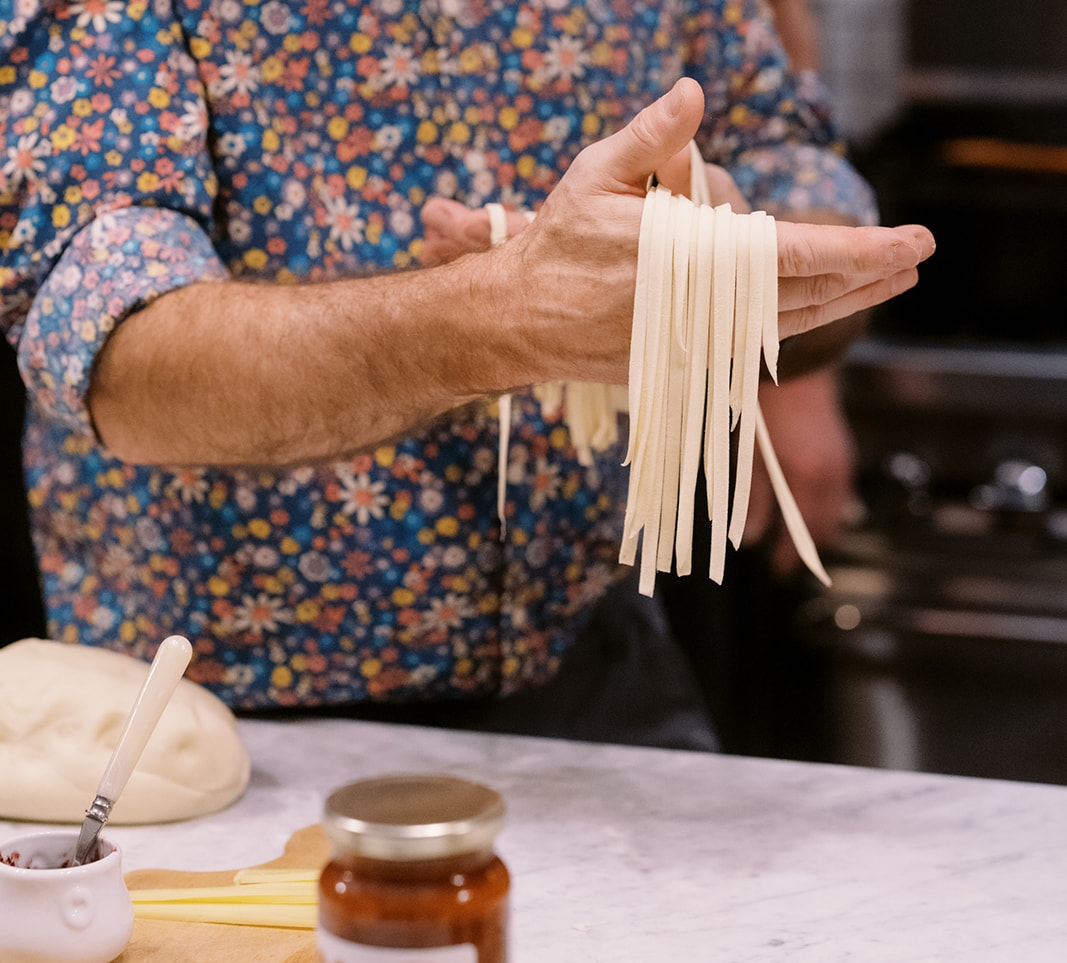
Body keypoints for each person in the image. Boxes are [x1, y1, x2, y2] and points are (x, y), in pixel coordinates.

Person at [0, 0, 934, 749]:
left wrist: (730, 249)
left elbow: (794, 165)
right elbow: (116, 355)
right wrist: (504, 316)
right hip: (212, 716)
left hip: (595, 659)